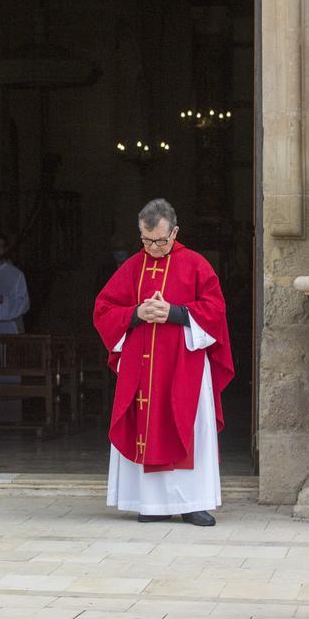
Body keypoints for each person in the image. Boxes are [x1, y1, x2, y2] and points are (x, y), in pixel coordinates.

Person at [93, 199, 233, 526]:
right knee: (145, 424)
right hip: (141, 370)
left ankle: (194, 503)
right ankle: (151, 503)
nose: (154, 248)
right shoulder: (131, 267)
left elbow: (216, 312)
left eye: (161, 240)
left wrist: (175, 313)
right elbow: (103, 309)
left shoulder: (197, 265)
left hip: (185, 366)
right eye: (146, 240)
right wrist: (135, 313)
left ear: (175, 231)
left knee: (190, 427)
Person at [0, 232, 30, 335]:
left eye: (0, 247)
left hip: (8, 330)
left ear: (5, 249)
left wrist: (3, 300)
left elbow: (24, 303)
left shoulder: (16, 275)